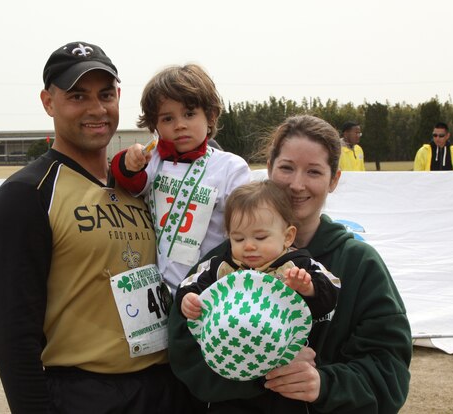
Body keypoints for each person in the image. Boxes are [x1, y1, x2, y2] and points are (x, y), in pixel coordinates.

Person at [0, 41, 202, 413]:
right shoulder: (25, 196)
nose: (96, 109)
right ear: (48, 102)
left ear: (118, 96)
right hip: (84, 394)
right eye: (77, 96)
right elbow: (13, 337)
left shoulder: (142, 185)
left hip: (167, 387)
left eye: (105, 94)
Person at [168, 115, 412, 413]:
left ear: (333, 179)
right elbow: (184, 349)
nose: (297, 184)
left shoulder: (359, 264)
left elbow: (389, 371)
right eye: (286, 168)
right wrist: (259, 370)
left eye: (313, 171)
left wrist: (323, 384)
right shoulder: (227, 258)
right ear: (269, 169)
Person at [110, 64, 250, 293]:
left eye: (189, 114)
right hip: (157, 290)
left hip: (210, 289)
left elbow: (246, 227)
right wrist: (129, 161)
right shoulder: (153, 160)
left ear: (211, 116)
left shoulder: (230, 168)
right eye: (167, 119)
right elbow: (128, 179)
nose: (180, 125)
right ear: (155, 125)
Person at [176, 179, 339, 324]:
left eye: (260, 237)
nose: (249, 246)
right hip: (229, 349)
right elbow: (189, 285)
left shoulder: (298, 266)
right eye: (239, 239)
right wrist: (187, 300)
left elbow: (332, 294)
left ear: (288, 236)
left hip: (284, 348)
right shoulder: (220, 268)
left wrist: (309, 289)